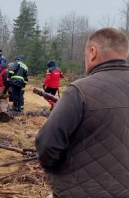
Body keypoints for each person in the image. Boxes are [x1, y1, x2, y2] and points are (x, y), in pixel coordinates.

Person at [35, 27, 129, 197]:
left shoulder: (80, 90)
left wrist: (55, 170)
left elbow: (46, 143)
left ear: (93, 52)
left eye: (85, 56)